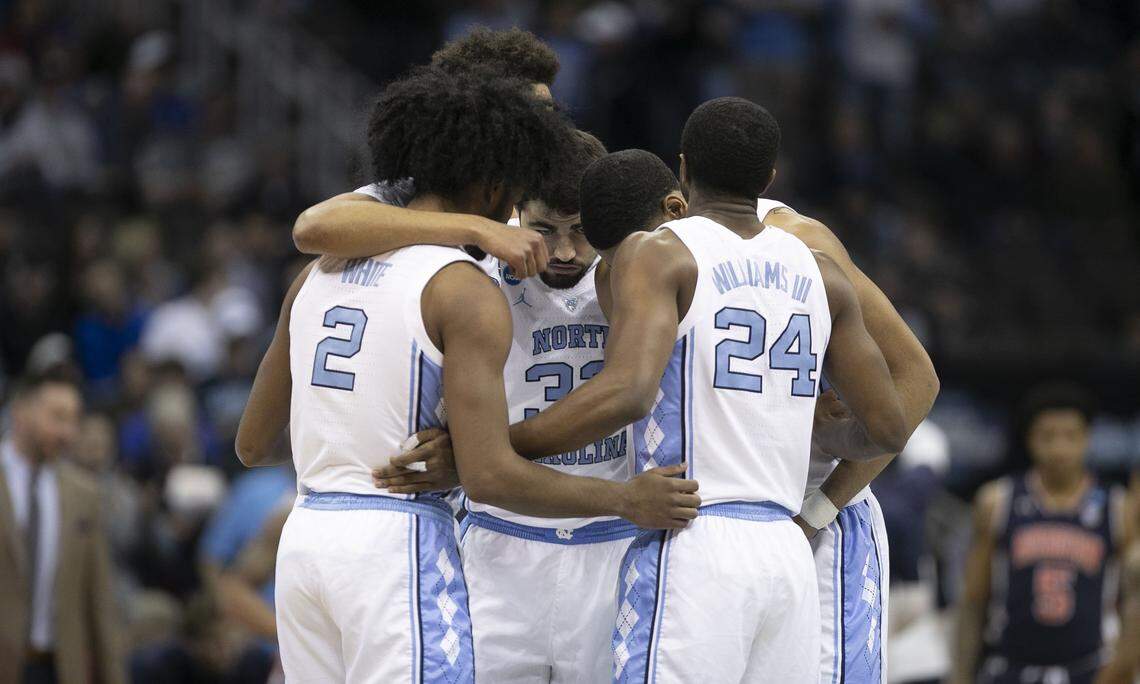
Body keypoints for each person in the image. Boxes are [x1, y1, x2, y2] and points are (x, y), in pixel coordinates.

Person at [234, 66, 698, 683]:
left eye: (581, 233)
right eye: (543, 227)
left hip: (328, 529)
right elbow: (314, 224)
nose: (562, 251)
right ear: (510, 198)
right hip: (479, 537)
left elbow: (254, 444)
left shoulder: (629, 267)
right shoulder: (472, 270)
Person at [509, 99, 910, 682]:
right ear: (769, 178)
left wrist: (505, 444)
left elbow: (626, 394)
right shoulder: (820, 269)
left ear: (684, 169)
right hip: (787, 547)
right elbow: (889, 428)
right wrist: (822, 427)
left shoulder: (662, 250)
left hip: (696, 537)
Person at [757, 196, 939, 683]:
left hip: (811, 517)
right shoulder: (655, 251)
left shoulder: (801, 243)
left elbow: (918, 382)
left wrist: (818, 510)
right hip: (721, 524)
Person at [292, 27, 560, 282]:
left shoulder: (560, 187)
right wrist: (478, 229)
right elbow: (311, 228)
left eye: (550, 111)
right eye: (535, 112)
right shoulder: (420, 192)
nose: (549, 128)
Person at [953, 384, 1130, 684]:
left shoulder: (1118, 507)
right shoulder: (998, 500)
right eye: (1047, 437)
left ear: (1087, 439)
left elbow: (1132, 605)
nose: (1060, 449)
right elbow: (974, 600)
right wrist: (960, 675)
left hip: (1090, 668)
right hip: (1010, 667)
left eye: (1070, 436)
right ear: (1029, 440)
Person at [0, 366, 126, 684]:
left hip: (58, 668)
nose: (67, 432)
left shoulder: (84, 494)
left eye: (73, 420)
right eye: (57, 417)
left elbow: (98, 600)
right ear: (20, 412)